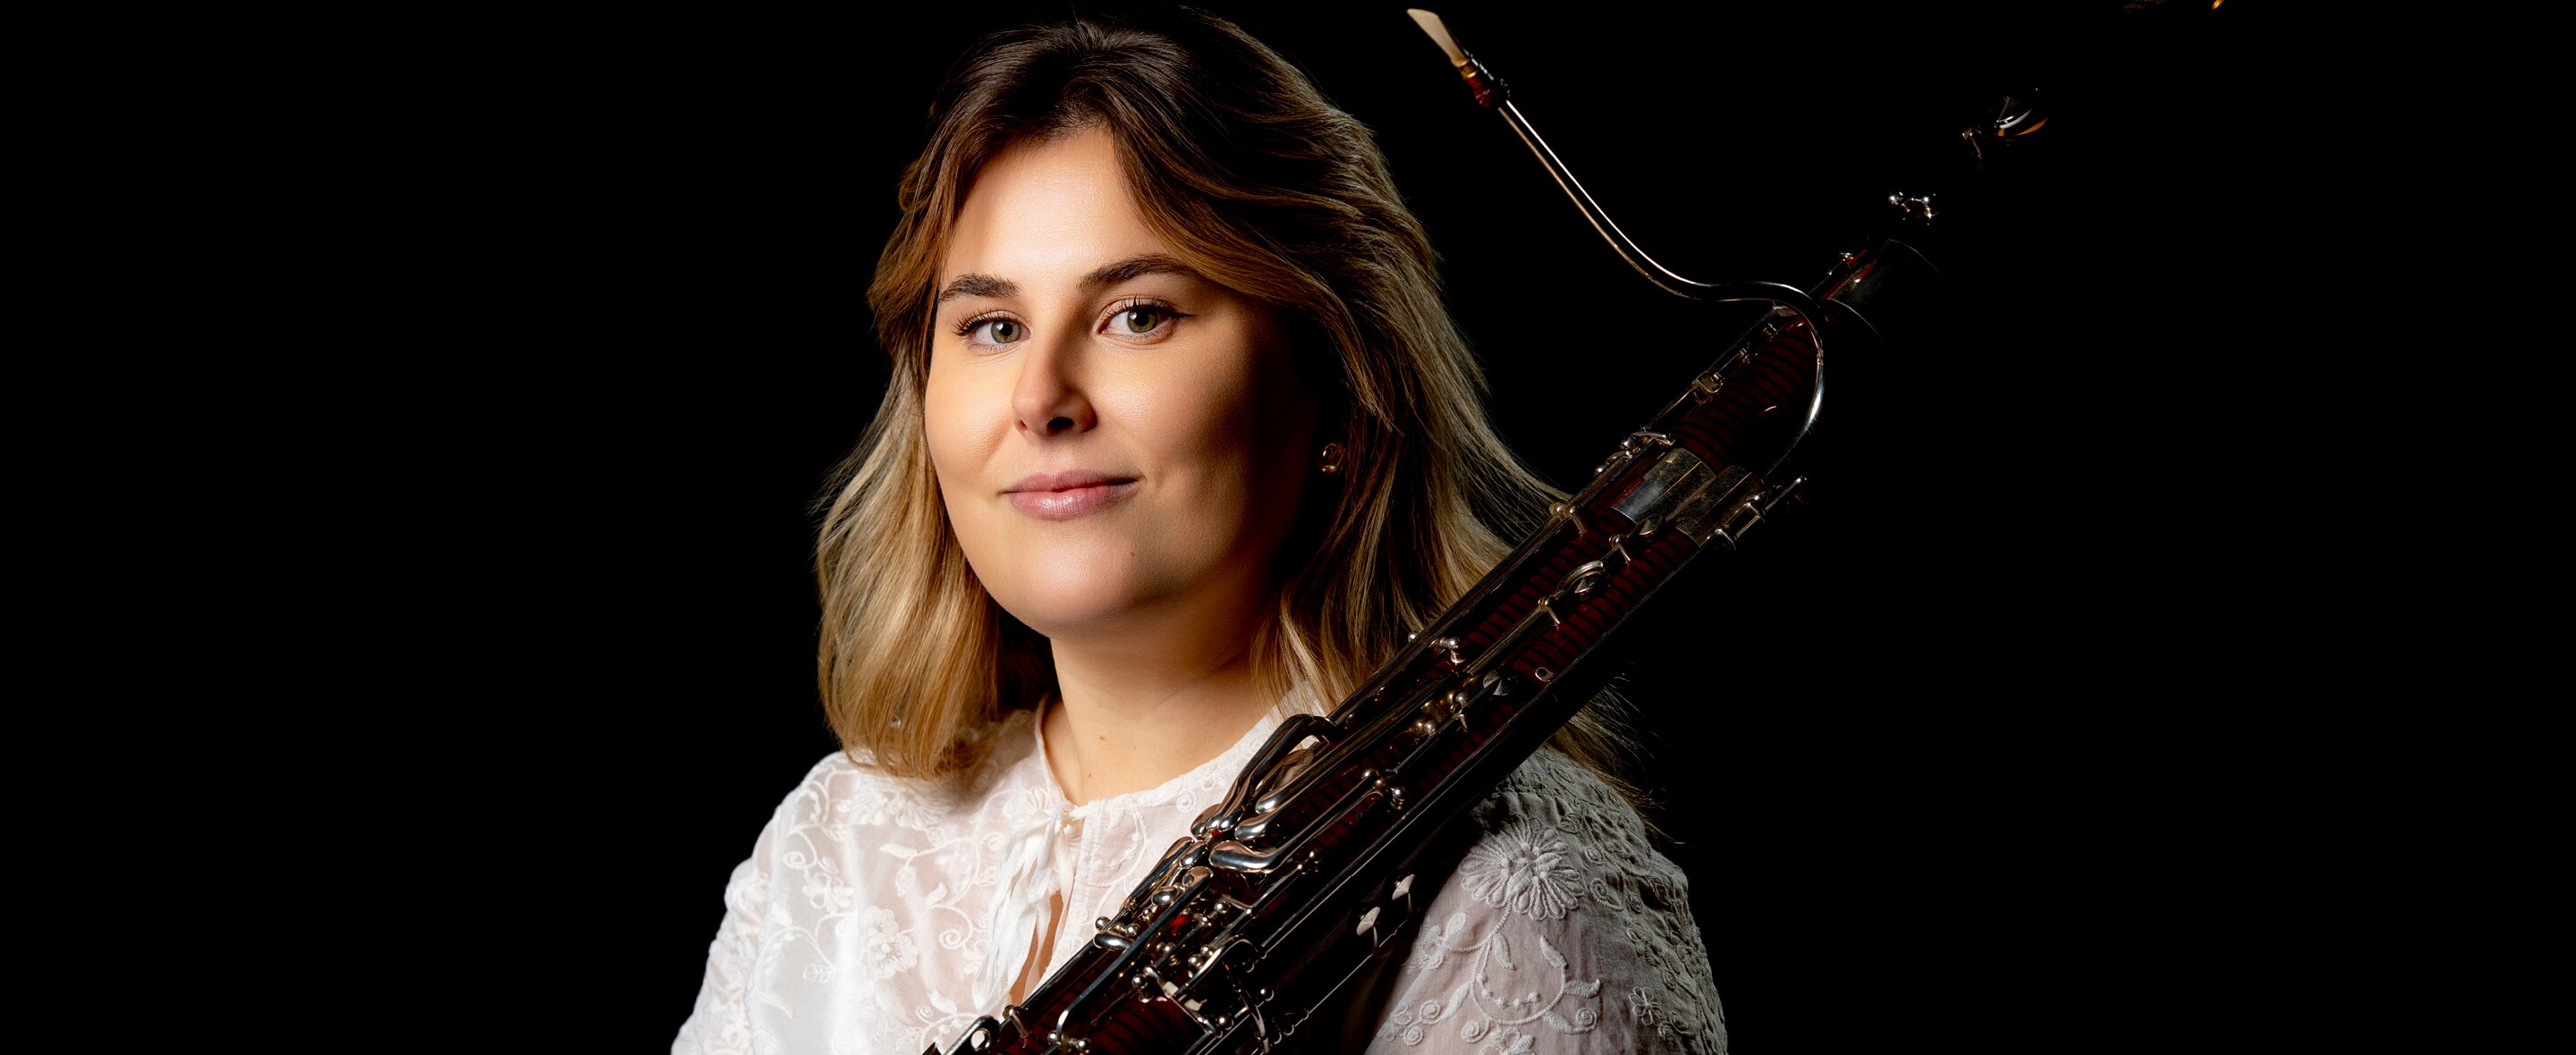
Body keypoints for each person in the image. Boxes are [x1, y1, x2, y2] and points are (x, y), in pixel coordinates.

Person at [674, 10, 1725, 1053]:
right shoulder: (837, 839)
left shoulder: (1518, 893)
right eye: (993, 326)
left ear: (1335, 387)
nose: (1040, 399)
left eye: (1138, 314)